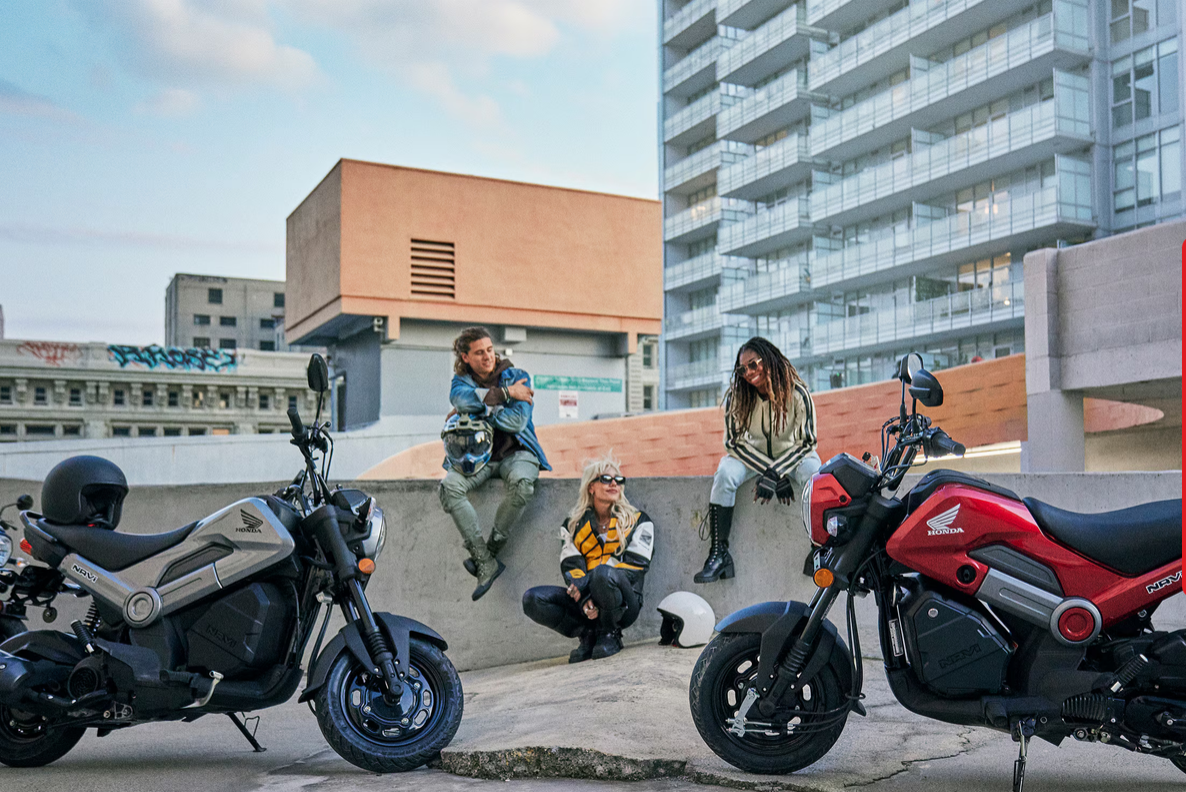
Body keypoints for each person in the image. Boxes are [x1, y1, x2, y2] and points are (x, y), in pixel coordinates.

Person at [695, 336, 820, 583]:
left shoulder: (798, 393)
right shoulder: (738, 396)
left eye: (754, 364)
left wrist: (778, 472)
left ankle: (820, 549)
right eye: (742, 369)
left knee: (815, 474)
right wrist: (771, 472)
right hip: (753, 459)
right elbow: (733, 443)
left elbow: (807, 442)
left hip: (794, 457)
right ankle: (719, 554)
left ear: (769, 359)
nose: (749, 373)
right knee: (725, 474)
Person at [439, 326, 550, 601]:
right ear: (465, 357)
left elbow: (516, 422)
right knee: (450, 486)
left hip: (518, 453)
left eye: (490, 350)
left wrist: (477, 409)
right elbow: (460, 399)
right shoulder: (461, 381)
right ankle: (484, 562)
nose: (487, 356)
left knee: (523, 485)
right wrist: (506, 395)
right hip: (479, 457)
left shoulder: (517, 375)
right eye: (479, 352)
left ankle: (490, 552)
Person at [522, 455, 655, 662]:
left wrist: (591, 584)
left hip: (624, 603)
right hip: (585, 598)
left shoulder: (639, 521)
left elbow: (635, 566)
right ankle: (588, 635)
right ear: (591, 487)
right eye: (606, 479)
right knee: (532, 599)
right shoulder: (572, 525)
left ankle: (610, 634)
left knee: (602, 574)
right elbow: (571, 567)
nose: (614, 483)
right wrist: (584, 597)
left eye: (618, 480)